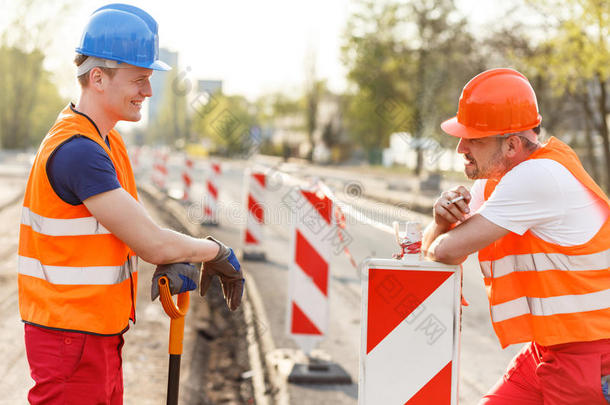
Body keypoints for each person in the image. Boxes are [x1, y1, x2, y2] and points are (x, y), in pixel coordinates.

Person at [18, 4, 244, 404]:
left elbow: (129, 231)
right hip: (70, 341)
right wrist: (215, 250)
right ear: (99, 77)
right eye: (139, 79)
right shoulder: (77, 152)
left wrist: (171, 257)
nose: (149, 91)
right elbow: (151, 242)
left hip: (98, 335)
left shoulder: (108, 142)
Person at [422, 68, 610, 404]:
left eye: (474, 139)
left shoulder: (538, 177)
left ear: (511, 144)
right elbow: (436, 251)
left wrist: (443, 230)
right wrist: (440, 220)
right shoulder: (496, 179)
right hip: (549, 351)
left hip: (595, 361)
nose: (460, 147)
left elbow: (445, 250)